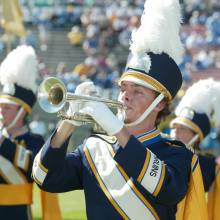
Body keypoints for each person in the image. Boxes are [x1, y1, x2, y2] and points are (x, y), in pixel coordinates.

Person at [33, 0, 193, 219]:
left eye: (138, 91)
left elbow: (166, 189)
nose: (126, 95)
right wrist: (69, 122)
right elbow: (44, 178)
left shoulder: (177, 154)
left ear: (161, 104)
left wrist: (116, 128)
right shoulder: (93, 148)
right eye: (123, 88)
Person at [0, 45, 61, 220]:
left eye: (7, 108)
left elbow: (33, 168)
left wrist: (3, 144)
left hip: (17, 213)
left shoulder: (35, 140)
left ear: (22, 112)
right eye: (1, 107)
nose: (2, 112)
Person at [169, 78, 220, 220]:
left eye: (182, 128)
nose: (175, 132)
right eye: (175, 127)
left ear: (197, 136)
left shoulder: (209, 166)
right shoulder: (162, 153)